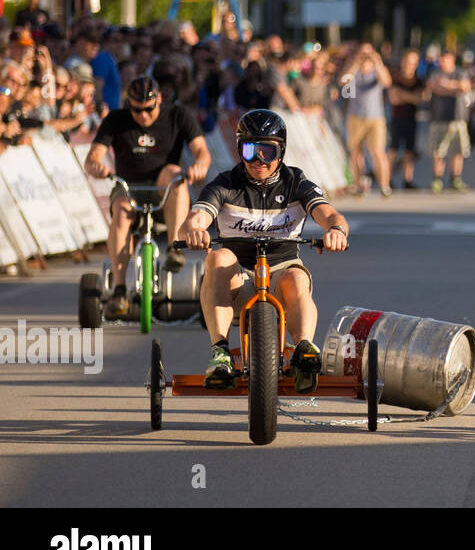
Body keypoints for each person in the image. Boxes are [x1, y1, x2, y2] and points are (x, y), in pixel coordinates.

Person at [180, 109, 350, 391]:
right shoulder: (225, 183)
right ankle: (220, 352)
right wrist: (194, 231)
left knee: (297, 279)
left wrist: (336, 231)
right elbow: (196, 218)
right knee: (218, 256)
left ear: (280, 153)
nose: (259, 160)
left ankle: (304, 350)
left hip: (283, 272)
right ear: (239, 151)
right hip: (239, 278)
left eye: (267, 152)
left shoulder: (296, 182)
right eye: (250, 150)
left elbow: (330, 215)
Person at [83, 76, 211, 317]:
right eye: (136, 110)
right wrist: (96, 166)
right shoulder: (116, 120)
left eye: (149, 109)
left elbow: (202, 152)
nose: (143, 115)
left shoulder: (178, 115)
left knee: (175, 174)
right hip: (129, 187)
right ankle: (120, 289)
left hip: (165, 189)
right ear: (128, 104)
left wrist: (200, 165)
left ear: (159, 99)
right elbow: (92, 158)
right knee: (121, 214)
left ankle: (175, 248)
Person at [342, 42, 393, 197]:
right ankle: (358, 185)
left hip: (375, 117)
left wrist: (378, 63)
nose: (365, 56)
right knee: (356, 152)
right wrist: (356, 63)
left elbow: (387, 82)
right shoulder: (353, 69)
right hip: (355, 116)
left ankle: (385, 186)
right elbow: (344, 83)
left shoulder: (378, 69)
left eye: (368, 53)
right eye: (362, 53)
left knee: (378, 152)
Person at [426, 49, 472, 193]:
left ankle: (456, 178)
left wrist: (446, 84)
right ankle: (437, 179)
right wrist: (454, 87)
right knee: (438, 151)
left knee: (457, 151)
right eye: (441, 59)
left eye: (445, 58)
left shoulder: (461, 72)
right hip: (439, 117)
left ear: (452, 59)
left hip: (457, 117)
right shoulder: (435, 73)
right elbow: (433, 87)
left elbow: (465, 86)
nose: (442, 61)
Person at [388, 48, 424, 189]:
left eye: (414, 62)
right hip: (397, 118)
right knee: (393, 150)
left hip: (411, 119)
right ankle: (388, 178)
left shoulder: (418, 80)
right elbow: (393, 99)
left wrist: (403, 95)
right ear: (403, 62)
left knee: (410, 150)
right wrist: (411, 97)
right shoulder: (395, 77)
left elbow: (419, 99)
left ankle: (407, 179)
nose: (411, 65)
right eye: (409, 62)